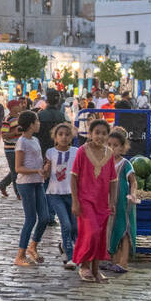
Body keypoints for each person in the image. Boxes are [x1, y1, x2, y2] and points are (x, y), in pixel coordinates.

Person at [72, 118, 117, 284]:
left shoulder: (110, 154)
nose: (100, 136)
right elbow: (73, 177)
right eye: (97, 133)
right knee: (91, 233)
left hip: (101, 202)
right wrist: (75, 201)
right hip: (85, 200)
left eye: (104, 133)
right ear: (90, 134)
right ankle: (84, 266)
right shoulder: (82, 152)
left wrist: (112, 201)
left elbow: (113, 180)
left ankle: (96, 270)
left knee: (100, 235)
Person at [13, 111, 49, 266]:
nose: (39, 123)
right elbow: (18, 167)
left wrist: (44, 168)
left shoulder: (35, 140)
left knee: (45, 217)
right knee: (31, 219)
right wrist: (36, 171)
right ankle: (20, 255)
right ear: (31, 124)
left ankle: (33, 245)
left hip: (38, 182)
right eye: (37, 121)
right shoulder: (22, 142)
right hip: (26, 183)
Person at [45, 122, 79, 270]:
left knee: (74, 226)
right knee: (65, 224)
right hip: (55, 194)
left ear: (72, 137)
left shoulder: (77, 152)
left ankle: (65, 246)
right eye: (60, 135)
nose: (64, 137)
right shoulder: (50, 152)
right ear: (55, 137)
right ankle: (71, 257)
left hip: (72, 193)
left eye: (67, 134)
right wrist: (44, 170)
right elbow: (46, 174)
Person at [105, 126, 138, 273]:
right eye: (109, 145)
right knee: (112, 230)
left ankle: (124, 262)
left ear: (123, 147)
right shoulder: (105, 162)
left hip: (123, 203)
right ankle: (114, 259)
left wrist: (133, 194)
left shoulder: (125, 164)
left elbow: (133, 181)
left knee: (124, 231)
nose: (112, 148)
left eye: (115, 145)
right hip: (109, 202)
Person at [0, 94, 29, 198]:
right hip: (10, 149)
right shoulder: (7, 120)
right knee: (16, 172)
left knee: (16, 170)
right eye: (18, 105)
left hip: (20, 148)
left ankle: (2, 184)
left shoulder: (21, 118)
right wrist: (14, 133)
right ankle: (18, 193)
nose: (20, 106)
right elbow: (4, 135)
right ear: (13, 108)